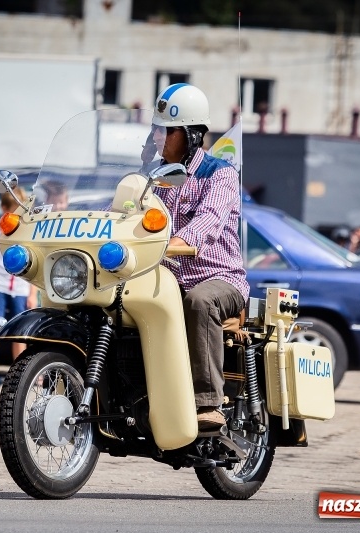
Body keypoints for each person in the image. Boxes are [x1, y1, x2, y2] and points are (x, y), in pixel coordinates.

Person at [146, 83, 250, 431]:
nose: (158, 137)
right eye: (156, 129)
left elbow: (208, 220)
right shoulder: (152, 177)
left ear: (191, 135)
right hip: (165, 278)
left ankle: (208, 403)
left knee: (199, 301)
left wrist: (175, 242)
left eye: (167, 130)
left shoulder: (219, 174)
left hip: (218, 279)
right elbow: (120, 208)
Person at [0, 187, 38, 387]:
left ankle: (19, 374)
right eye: (13, 210)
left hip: (20, 288)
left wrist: (32, 293)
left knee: (20, 332)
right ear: (4, 209)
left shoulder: (27, 234)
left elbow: (33, 266)